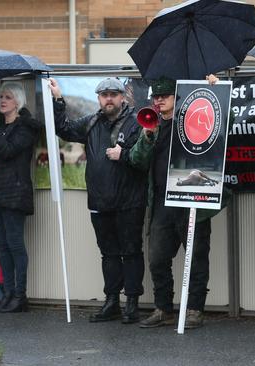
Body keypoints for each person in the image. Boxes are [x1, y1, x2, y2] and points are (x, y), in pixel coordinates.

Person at [48, 77, 147, 324]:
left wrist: (122, 155)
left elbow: (143, 159)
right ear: (99, 99)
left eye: (113, 94)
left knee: (131, 252)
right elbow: (64, 129)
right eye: (104, 95)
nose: (109, 99)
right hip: (100, 202)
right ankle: (112, 301)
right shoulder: (92, 122)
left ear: (122, 97)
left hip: (129, 202)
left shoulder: (136, 122)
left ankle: (132, 304)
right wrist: (59, 99)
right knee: (109, 254)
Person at [129, 75, 220, 330]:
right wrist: (147, 137)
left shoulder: (190, 122)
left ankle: (194, 310)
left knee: (197, 257)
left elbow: (225, 122)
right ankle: (164, 309)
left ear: (175, 98)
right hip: (161, 202)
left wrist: (215, 89)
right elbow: (137, 161)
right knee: (157, 258)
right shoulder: (151, 125)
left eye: (164, 96)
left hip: (191, 202)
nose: (159, 101)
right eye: (156, 97)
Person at [0, 81, 42, 312]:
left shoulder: (24, 127)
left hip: (15, 193)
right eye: (1, 97)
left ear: (18, 102)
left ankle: (20, 295)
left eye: (7, 97)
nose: (2, 101)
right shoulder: (0, 127)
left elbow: (8, 151)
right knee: (3, 245)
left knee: (15, 244)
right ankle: (8, 292)